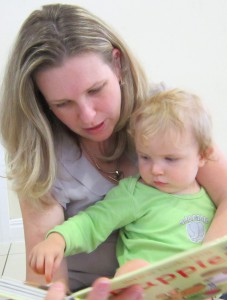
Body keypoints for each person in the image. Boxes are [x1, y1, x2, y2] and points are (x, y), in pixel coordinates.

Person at [0, 3, 227, 299]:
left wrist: (198, 279)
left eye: (96, 89)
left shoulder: (162, 116)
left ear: (117, 64)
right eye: (63, 104)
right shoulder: (41, 157)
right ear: (42, 101)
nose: (88, 116)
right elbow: (46, 276)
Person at [29, 89, 217, 283]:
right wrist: (58, 240)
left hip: (194, 290)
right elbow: (92, 222)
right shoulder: (135, 193)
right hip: (144, 291)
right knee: (135, 269)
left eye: (170, 159)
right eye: (145, 157)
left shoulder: (211, 200)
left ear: (202, 156)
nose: (156, 170)